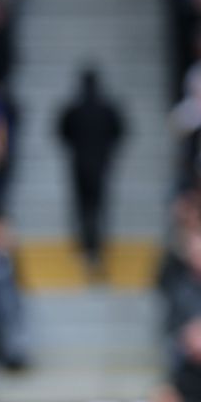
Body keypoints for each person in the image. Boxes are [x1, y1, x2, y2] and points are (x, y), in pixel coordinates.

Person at [56, 66, 126, 275]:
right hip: (101, 164)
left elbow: (62, 132)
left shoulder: (73, 108)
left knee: (83, 206)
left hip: (79, 163)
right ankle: (95, 245)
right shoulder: (107, 108)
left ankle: (88, 245)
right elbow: (119, 131)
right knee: (98, 206)